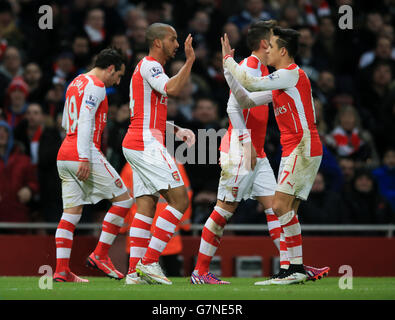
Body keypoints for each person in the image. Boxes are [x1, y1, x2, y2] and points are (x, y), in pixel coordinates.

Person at [192, 21, 329, 286]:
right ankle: (200, 270)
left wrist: (227, 66)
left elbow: (248, 97)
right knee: (225, 210)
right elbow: (235, 105)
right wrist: (245, 143)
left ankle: (291, 266)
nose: (273, 46)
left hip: (261, 152)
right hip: (242, 150)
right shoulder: (249, 67)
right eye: (272, 41)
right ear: (266, 44)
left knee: (277, 208)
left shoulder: (276, 73)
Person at [122, 23, 196, 285]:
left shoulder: (147, 69)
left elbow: (145, 115)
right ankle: (150, 261)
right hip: (144, 143)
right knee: (179, 199)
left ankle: (134, 273)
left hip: (137, 140)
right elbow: (173, 90)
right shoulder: (151, 65)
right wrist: (189, 61)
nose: (177, 44)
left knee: (146, 205)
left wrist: (175, 129)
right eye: (173, 39)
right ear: (157, 42)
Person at [54, 48, 133, 283]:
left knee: (71, 212)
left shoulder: (75, 82)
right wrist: (84, 156)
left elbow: (65, 121)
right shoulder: (96, 85)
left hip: (64, 153)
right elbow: (86, 119)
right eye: (118, 75)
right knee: (124, 199)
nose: (117, 81)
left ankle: (61, 270)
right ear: (110, 68)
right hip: (83, 151)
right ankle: (100, 254)